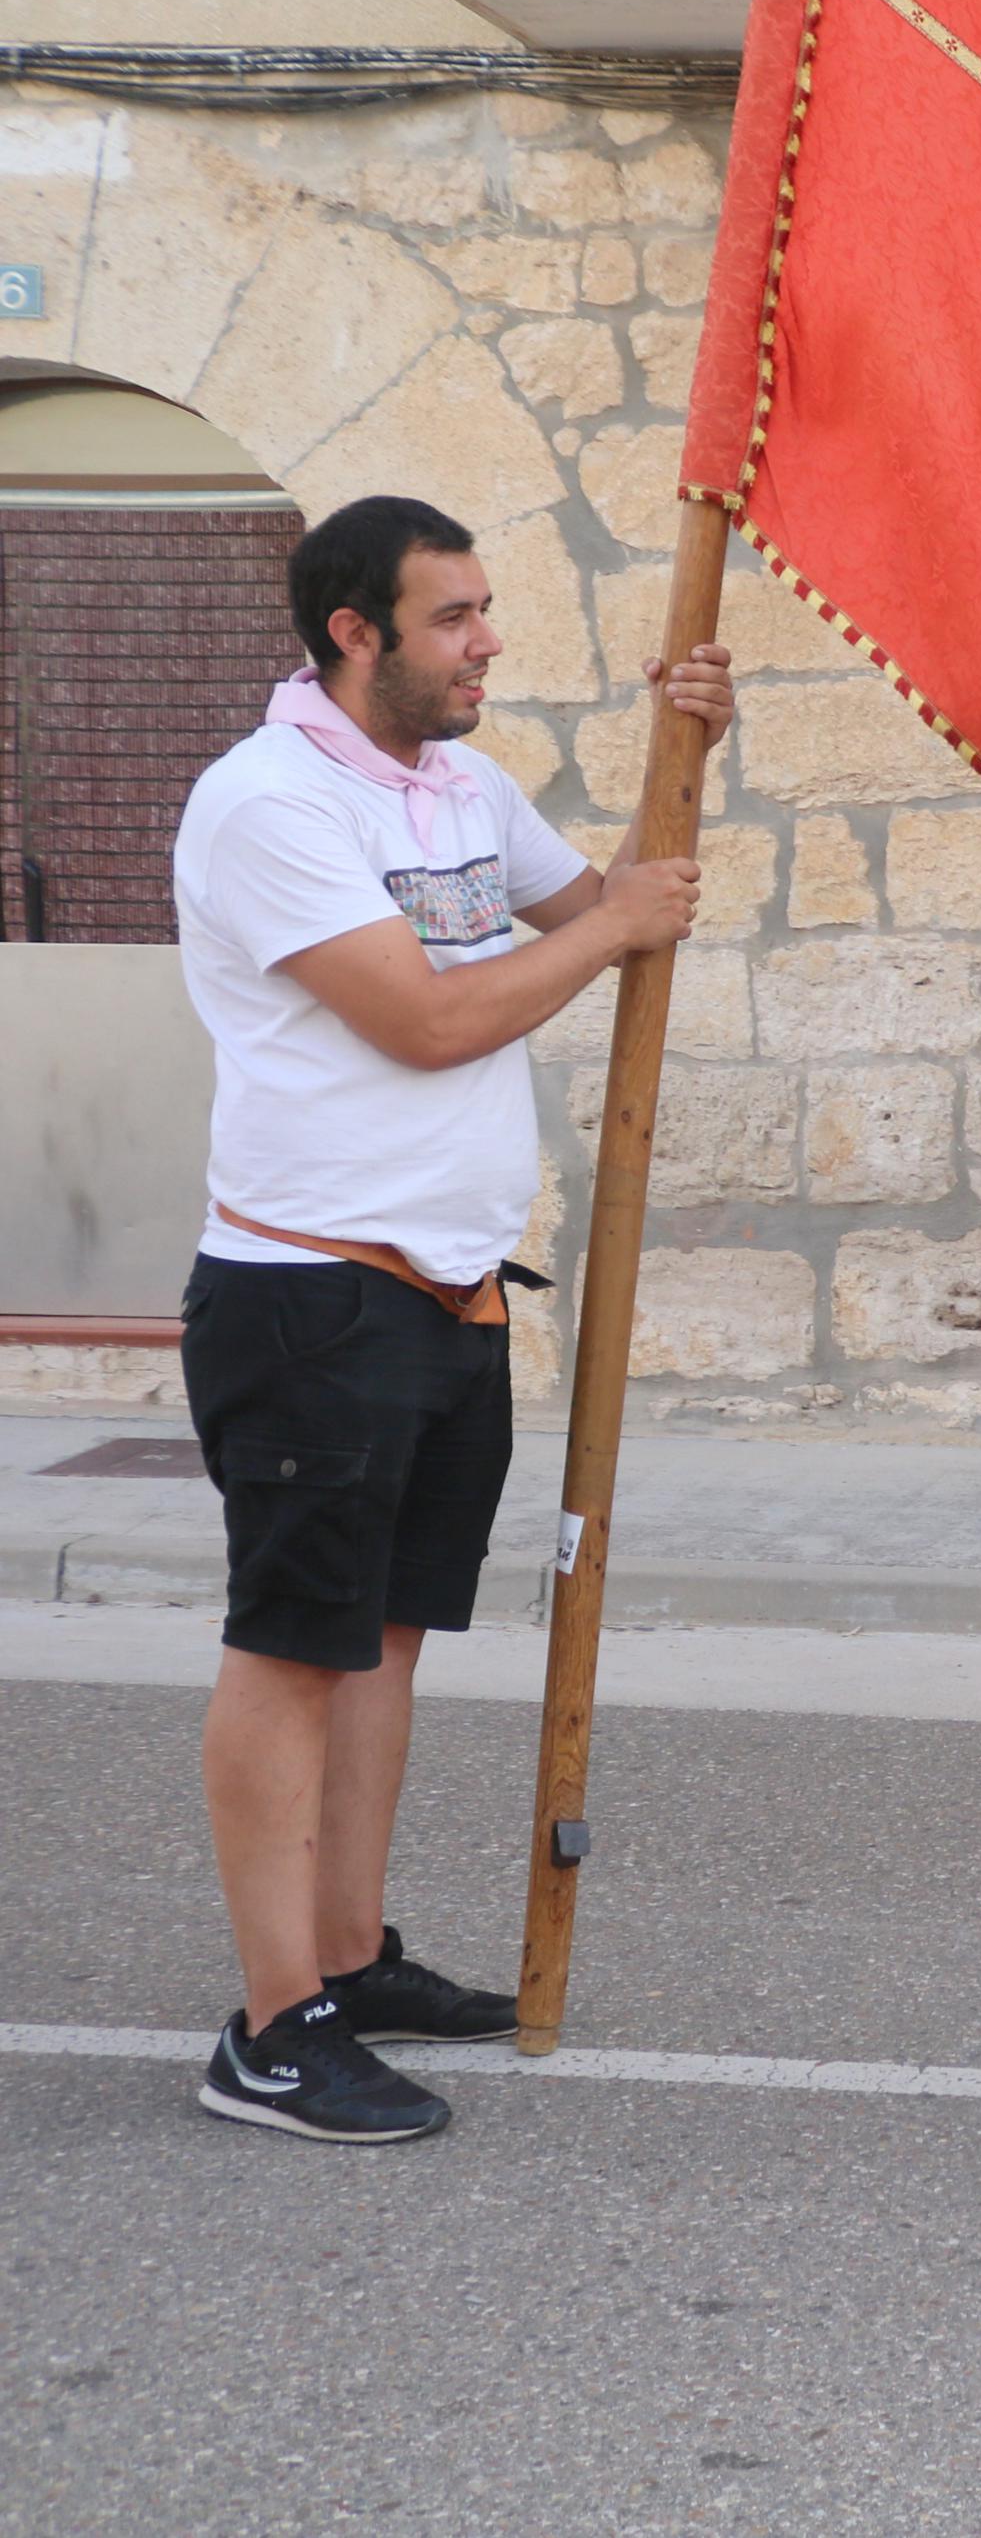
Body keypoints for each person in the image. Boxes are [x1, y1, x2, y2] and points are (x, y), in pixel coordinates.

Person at [175, 494, 724, 2142]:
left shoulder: (463, 788)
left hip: (451, 1293)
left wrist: (694, 740)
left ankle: (351, 1958)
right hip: (309, 1298)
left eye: (487, 609)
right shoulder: (266, 804)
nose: (487, 640)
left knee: (387, 1640)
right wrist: (620, 921)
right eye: (454, 618)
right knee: (293, 1649)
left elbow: (610, 902)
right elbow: (423, 1022)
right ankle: (270, 2031)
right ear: (353, 631)